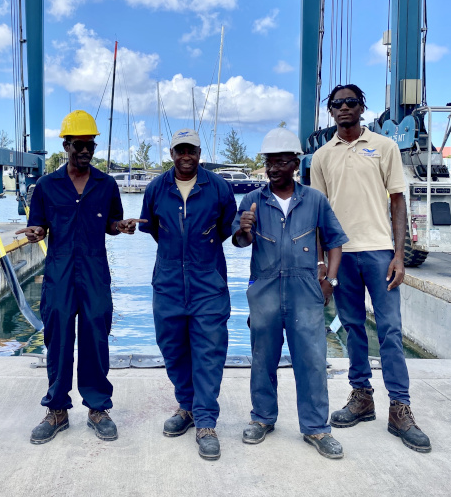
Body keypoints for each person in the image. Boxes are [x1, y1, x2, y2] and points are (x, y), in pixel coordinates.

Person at [310, 84, 432, 453]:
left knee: (391, 331)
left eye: (351, 102)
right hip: (341, 256)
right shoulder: (321, 157)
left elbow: (398, 201)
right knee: (352, 328)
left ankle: (400, 407)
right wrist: (321, 263)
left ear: (362, 108)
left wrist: (400, 254)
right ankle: (361, 396)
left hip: (380, 253)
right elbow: (318, 214)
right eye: (337, 104)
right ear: (330, 111)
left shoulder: (385, 147)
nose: (344, 108)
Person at [19, 110, 145, 445]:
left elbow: (112, 225)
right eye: (79, 145)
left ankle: (98, 408)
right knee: (58, 342)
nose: (85, 151)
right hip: (58, 276)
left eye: (90, 145)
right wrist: (35, 232)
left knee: (95, 339)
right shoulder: (46, 186)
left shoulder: (107, 185)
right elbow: (39, 226)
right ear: (66, 145)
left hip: (95, 275)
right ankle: (57, 410)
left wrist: (122, 227)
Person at [232, 127, 348, 459]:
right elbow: (240, 244)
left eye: (280, 162)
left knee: (311, 361)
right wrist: (244, 230)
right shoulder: (252, 201)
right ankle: (262, 419)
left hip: (305, 292)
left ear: (294, 163)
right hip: (265, 291)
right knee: (262, 360)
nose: (272, 169)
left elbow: (336, 241)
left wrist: (331, 282)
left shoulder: (314, 200)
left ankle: (316, 428)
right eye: (269, 162)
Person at [138, 129, 237, 461]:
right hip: (167, 283)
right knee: (172, 347)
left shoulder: (219, 188)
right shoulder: (156, 188)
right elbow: (152, 228)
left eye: (191, 150)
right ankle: (187, 406)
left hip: (208, 283)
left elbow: (227, 229)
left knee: (209, 352)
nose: (186, 156)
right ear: (171, 153)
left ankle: (206, 421)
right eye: (180, 150)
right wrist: (173, 257)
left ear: (199, 152)